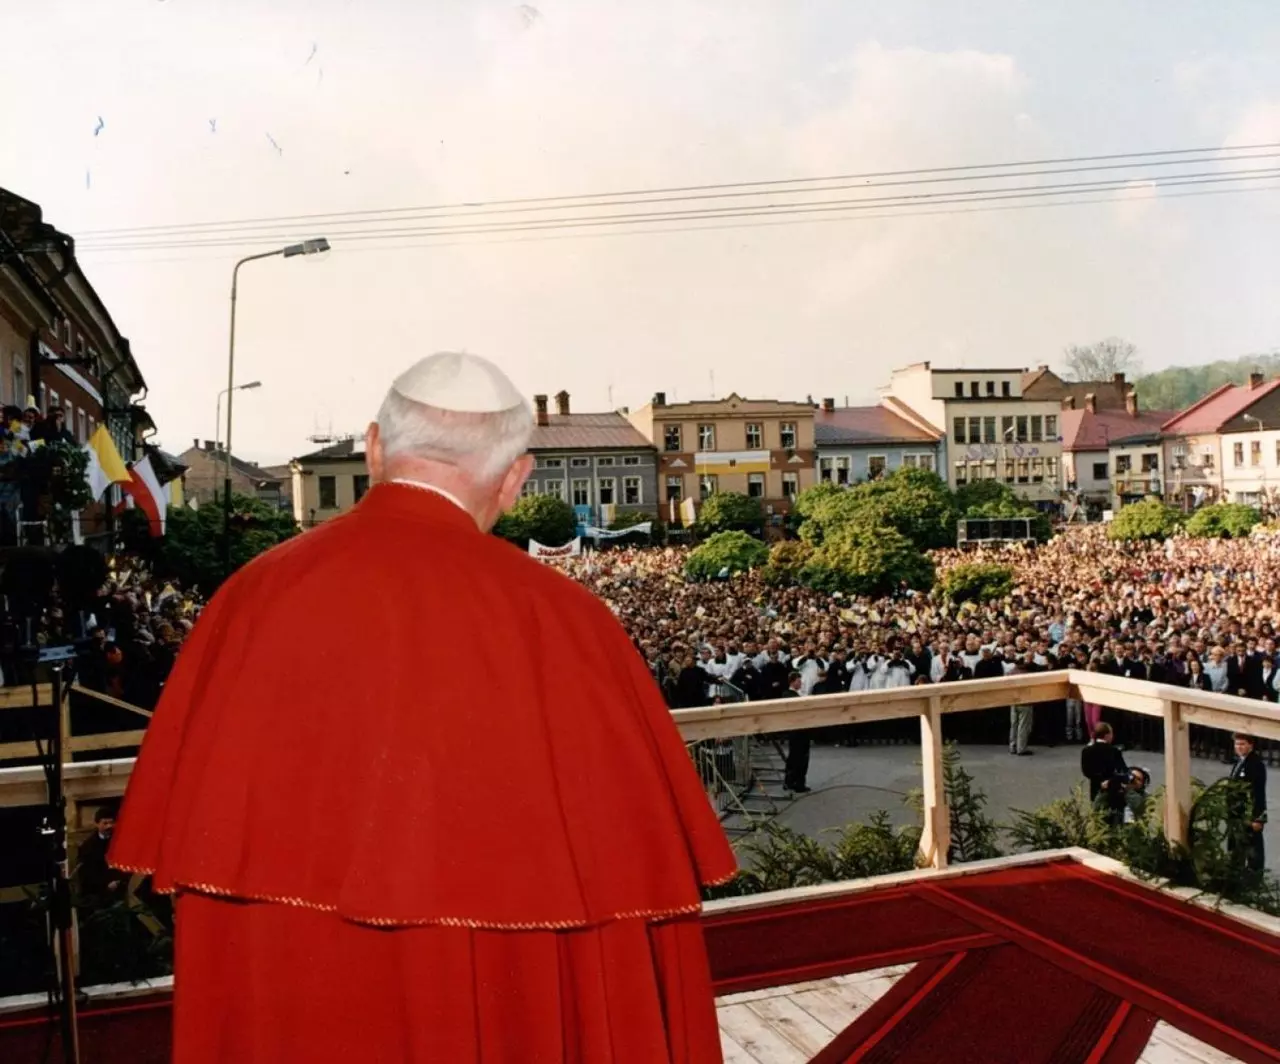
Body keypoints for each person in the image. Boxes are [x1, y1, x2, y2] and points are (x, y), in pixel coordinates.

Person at [109, 352, 737, 1064]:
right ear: (515, 477)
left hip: (295, 1003)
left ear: (375, 447)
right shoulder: (567, 620)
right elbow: (627, 913)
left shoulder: (250, 598)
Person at [1227, 733, 1268, 873]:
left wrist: (1258, 817)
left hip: (1249, 814)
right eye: (1236, 744)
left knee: (1253, 847)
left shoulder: (1255, 765)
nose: (1239, 747)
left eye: (1242, 744)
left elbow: (1258, 792)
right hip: (1237, 814)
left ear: (1251, 745)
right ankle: (1235, 873)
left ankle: (1254, 876)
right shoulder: (1239, 761)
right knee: (1237, 846)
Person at [782, 670, 811, 793]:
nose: (801, 683)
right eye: (798, 681)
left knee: (796, 757)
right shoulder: (788, 695)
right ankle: (797, 782)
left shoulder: (798, 694)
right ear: (792, 682)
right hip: (797, 730)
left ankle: (791, 781)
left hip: (800, 729)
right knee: (798, 758)